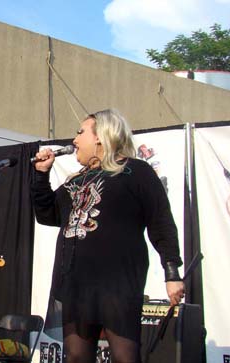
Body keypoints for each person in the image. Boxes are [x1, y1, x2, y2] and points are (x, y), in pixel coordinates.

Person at [31, 109, 185, 363]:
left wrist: (172, 272)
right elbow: (47, 214)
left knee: (124, 357)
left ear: (101, 137)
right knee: (76, 357)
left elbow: (161, 222)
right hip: (75, 283)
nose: (75, 140)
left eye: (81, 132)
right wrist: (40, 174)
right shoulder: (76, 181)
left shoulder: (135, 171)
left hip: (117, 283)